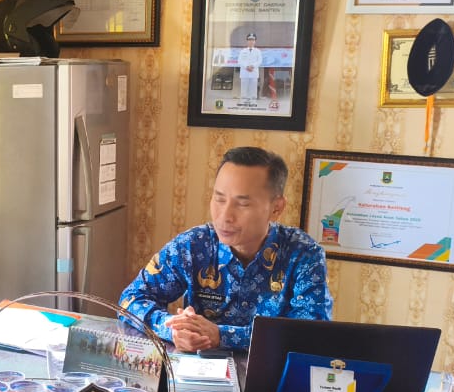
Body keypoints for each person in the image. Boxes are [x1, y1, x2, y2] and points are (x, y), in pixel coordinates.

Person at [119, 146, 332, 352]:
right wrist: (173, 328)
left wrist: (221, 336)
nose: (225, 216)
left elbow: (311, 333)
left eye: (242, 204)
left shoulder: (304, 254)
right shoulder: (193, 245)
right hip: (197, 372)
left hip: (272, 373)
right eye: (219, 199)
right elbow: (131, 299)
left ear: (276, 208)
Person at [237, 32, 262, 100]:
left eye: (253, 40)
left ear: (255, 41)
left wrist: (252, 66)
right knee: (244, 91)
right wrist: (246, 67)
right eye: (249, 40)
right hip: (244, 73)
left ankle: (253, 102)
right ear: (247, 41)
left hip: (254, 73)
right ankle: (243, 102)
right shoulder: (242, 51)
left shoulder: (258, 51)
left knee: (253, 91)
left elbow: (259, 61)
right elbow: (239, 61)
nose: (251, 41)